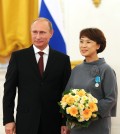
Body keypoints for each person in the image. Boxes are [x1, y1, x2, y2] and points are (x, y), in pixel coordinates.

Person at [3, 17, 71, 134]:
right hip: (26, 122)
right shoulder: (18, 58)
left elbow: (66, 93)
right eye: (35, 32)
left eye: (42, 32)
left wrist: (65, 122)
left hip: (53, 123)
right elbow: (9, 91)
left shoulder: (63, 60)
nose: (38, 36)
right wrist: (8, 119)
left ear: (51, 33)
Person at [64, 28, 118, 134]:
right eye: (81, 41)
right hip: (76, 127)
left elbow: (110, 98)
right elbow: (66, 96)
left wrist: (88, 112)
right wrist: (72, 115)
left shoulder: (106, 70)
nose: (83, 45)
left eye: (88, 42)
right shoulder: (76, 69)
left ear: (98, 45)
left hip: (97, 126)